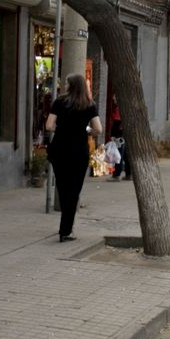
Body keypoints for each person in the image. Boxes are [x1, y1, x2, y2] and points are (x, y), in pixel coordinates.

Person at [45, 74, 103, 242]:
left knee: (63, 188)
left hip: (60, 149)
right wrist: (85, 130)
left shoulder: (59, 102)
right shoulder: (89, 105)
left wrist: (62, 129)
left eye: (66, 83)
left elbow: (49, 126)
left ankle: (65, 228)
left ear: (70, 86)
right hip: (79, 151)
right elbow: (98, 129)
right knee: (74, 190)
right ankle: (66, 230)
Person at [108, 97, 131, 181]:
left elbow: (117, 123)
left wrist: (113, 135)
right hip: (125, 135)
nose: (113, 98)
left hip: (119, 136)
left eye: (115, 97)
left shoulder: (119, 109)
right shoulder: (127, 108)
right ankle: (129, 173)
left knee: (119, 154)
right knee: (125, 154)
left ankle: (116, 174)